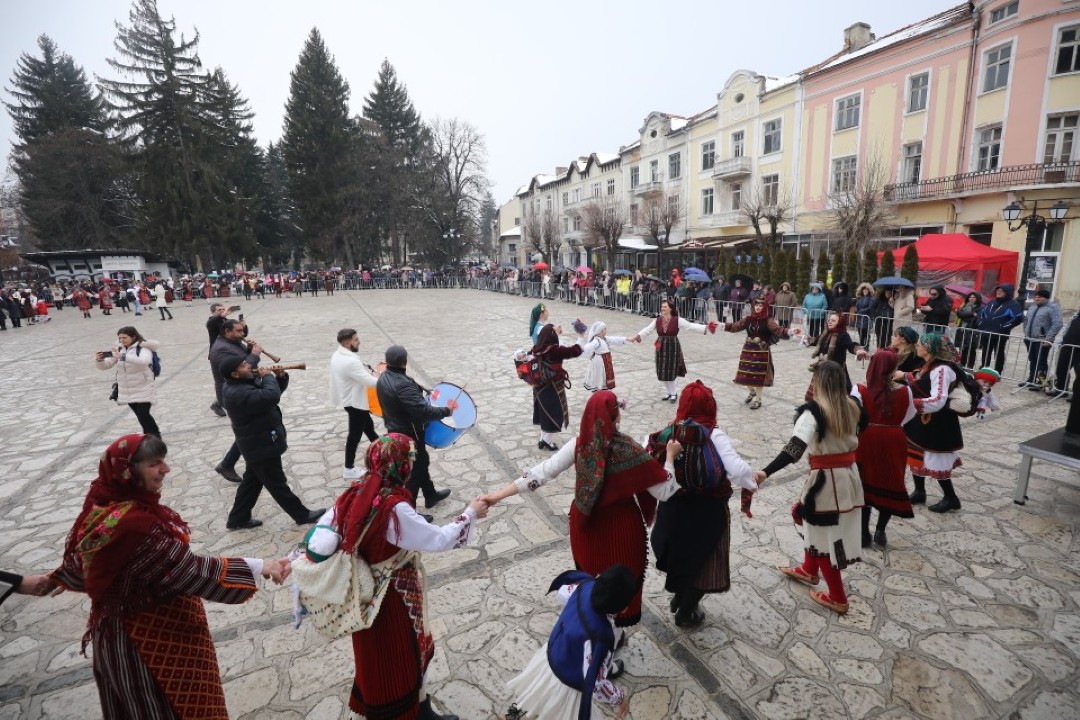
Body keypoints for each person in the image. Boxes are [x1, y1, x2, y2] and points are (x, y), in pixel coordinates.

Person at [44, 434, 287, 719]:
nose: (166, 469)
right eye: (154, 464)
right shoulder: (135, 526)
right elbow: (188, 570)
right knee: (169, 708)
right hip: (150, 642)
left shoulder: (103, 504)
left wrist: (57, 577)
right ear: (128, 470)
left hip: (118, 633)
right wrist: (259, 566)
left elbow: (89, 562)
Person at [300, 434, 485, 720]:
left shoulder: (356, 492)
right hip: (391, 598)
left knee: (388, 658)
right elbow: (437, 540)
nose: (411, 463)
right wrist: (470, 513)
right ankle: (408, 713)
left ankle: (422, 710)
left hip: (365, 594)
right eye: (408, 459)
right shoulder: (393, 508)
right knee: (401, 657)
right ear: (399, 467)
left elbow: (327, 529)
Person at [482, 391, 679, 633]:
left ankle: (596, 634)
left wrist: (496, 496)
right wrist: (669, 457)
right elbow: (666, 491)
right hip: (622, 531)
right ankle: (611, 643)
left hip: (586, 528)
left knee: (593, 583)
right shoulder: (629, 449)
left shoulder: (579, 445)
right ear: (615, 416)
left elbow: (540, 473)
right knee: (618, 588)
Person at [646, 381, 758, 627]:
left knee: (681, 555)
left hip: (674, 508)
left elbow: (649, 456)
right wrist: (753, 479)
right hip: (707, 511)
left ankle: (679, 596)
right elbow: (738, 470)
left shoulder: (670, 432)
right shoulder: (714, 434)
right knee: (706, 562)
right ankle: (686, 612)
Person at [761, 361, 865, 615]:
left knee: (820, 535)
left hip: (826, 483)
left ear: (817, 383)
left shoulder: (814, 412)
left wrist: (765, 472)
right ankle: (809, 569)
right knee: (805, 518)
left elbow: (793, 449)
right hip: (849, 477)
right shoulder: (853, 406)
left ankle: (838, 598)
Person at [507, 565, 636, 720]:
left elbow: (562, 595)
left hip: (551, 656)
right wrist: (619, 699)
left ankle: (516, 715)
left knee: (537, 696)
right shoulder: (601, 636)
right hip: (568, 683)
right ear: (623, 609)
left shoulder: (584, 585)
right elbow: (596, 683)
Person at [219, 355, 324, 529]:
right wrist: (268, 377)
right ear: (235, 374)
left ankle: (238, 518)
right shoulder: (237, 392)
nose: (249, 366)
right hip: (259, 444)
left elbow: (268, 396)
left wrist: (280, 378)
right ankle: (302, 515)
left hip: (258, 442)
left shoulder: (241, 384)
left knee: (251, 482)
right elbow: (269, 397)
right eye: (244, 365)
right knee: (277, 483)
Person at [376, 345, 456, 515]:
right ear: (405, 362)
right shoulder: (403, 385)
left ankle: (430, 494)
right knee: (415, 471)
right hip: (409, 437)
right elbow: (424, 412)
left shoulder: (384, 377)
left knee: (421, 462)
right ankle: (409, 512)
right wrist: (447, 410)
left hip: (396, 430)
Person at [852, 351, 915, 547]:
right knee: (890, 480)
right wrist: (892, 425)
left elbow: (854, 416)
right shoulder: (906, 390)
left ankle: (863, 533)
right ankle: (881, 530)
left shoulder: (860, 389)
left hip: (867, 438)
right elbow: (909, 414)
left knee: (864, 483)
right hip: (894, 438)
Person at [899, 333, 965, 513]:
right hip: (922, 419)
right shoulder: (929, 366)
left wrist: (909, 404)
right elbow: (922, 380)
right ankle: (920, 492)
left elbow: (938, 400)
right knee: (915, 453)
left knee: (937, 457)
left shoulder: (942, 370)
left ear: (929, 349)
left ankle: (951, 498)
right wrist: (904, 376)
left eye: (920, 344)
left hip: (938, 422)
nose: (917, 346)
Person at [630, 298, 716, 402]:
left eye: (665, 307)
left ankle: (673, 393)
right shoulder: (657, 320)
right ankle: (669, 392)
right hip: (661, 347)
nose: (663, 308)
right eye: (662, 307)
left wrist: (706, 328)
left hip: (673, 347)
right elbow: (647, 330)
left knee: (670, 370)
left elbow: (690, 326)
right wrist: (638, 336)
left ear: (670, 308)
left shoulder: (677, 320)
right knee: (662, 371)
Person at [210, 318, 264, 482]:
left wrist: (248, 350)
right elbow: (242, 368)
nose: (243, 334)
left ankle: (232, 463)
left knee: (251, 429)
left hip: (242, 389)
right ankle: (227, 464)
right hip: (231, 394)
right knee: (247, 431)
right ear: (228, 332)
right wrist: (254, 355)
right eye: (239, 331)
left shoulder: (233, 342)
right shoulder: (221, 349)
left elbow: (243, 361)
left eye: (243, 331)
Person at [723, 296, 798, 410]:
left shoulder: (768, 320)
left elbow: (778, 330)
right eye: (756, 305)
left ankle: (758, 400)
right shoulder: (748, 319)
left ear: (764, 307)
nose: (758, 307)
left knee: (758, 377)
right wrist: (722, 326)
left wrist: (789, 331)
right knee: (744, 374)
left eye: (760, 306)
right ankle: (752, 392)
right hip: (748, 349)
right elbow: (735, 326)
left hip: (761, 351)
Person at [329, 328, 382, 480]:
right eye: (356, 340)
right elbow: (370, 382)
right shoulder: (350, 361)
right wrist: (387, 380)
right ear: (347, 343)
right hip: (355, 403)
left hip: (350, 400)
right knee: (354, 436)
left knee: (370, 430)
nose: (359, 342)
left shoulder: (338, 354)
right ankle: (349, 468)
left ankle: (383, 455)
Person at [95, 326, 161, 438]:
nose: (121, 340)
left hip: (144, 386)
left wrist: (123, 356)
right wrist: (99, 360)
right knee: (140, 416)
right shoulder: (120, 349)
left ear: (133, 336)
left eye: (124, 338)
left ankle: (155, 437)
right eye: (120, 338)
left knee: (143, 414)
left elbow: (144, 361)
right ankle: (150, 437)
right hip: (127, 388)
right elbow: (107, 365)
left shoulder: (143, 348)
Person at [528, 324, 586, 449]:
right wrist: (581, 335)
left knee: (545, 413)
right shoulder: (555, 351)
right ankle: (547, 441)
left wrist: (556, 333)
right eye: (554, 331)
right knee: (554, 414)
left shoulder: (536, 348)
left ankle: (543, 439)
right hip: (552, 387)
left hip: (539, 387)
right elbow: (575, 351)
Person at [808, 312, 867, 396]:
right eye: (829, 320)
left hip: (836, 371)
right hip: (822, 369)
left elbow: (851, 345)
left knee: (837, 396)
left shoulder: (843, 335)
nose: (830, 322)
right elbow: (815, 340)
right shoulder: (826, 333)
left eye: (833, 320)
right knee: (819, 395)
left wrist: (858, 350)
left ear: (840, 323)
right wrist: (802, 337)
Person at [1021, 288, 1063, 390]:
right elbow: (1026, 320)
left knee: (1041, 361)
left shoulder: (1053, 308)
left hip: (1042, 340)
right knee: (1032, 360)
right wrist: (1026, 333)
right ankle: (1032, 378)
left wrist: (1049, 338)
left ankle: (1042, 382)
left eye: (1040, 296)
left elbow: (1057, 324)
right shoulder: (1033, 307)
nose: (1037, 298)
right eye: (1036, 296)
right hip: (1030, 338)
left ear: (1046, 298)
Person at [978, 284, 1024, 373]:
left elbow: (1017, 318)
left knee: (998, 353)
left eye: (1001, 291)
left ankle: (998, 371)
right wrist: (980, 323)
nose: (998, 292)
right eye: (997, 290)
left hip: (1000, 333)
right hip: (986, 331)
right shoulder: (992, 302)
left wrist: (1003, 327)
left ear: (1007, 293)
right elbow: (982, 313)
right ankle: (984, 367)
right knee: (985, 351)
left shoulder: (1013, 304)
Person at [580, 321, 629, 392]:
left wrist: (627, 339)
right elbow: (587, 348)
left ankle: (603, 390)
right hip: (600, 362)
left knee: (604, 376)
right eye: (605, 329)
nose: (606, 330)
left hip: (606, 361)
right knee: (600, 376)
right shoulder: (596, 340)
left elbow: (615, 339)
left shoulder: (605, 338)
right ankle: (599, 390)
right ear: (600, 331)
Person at [206, 303, 232, 417]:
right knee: (220, 381)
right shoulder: (212, 321)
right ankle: (221, 404)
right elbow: (211, 323)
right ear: (213, 312)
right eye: (219, 310)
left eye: (223, 309)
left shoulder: (224, 321)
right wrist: (222, 315)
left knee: (231, 379)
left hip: (229, 353)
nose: (222, 311)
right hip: (217, 355)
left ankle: (218, 402)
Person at [1050, 310, 1080, 399]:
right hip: (1066, 347)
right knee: (1061, 369)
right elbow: (1067, 329)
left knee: (1079, 373)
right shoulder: (1076, 316)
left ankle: (1077, 396)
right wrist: (1062, 341)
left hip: (1078, 350)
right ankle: (1061, 389)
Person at [955, 292, 984, 369]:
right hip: (962, 330)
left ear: (977, 299)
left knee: (971, 349)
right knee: (963, 349)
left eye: (974, 297)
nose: (971, 299)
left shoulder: (980, 308)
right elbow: (959, 314)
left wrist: (966, 315)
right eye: (970, 297)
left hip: (972, 331)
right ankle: (962, 365)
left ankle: (970, 367)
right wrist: (971, 314)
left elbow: (977, 318)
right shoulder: (964, 306)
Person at [853, 283, 875, 347]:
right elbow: (856, 305)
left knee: (866, 334)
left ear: (869, 291)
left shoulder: (871, 298)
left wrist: (861, 311)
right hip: (860, 319)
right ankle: (861, 345)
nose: (865, 291)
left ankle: (866, 346)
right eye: (864, 290)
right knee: (860, 333)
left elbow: (870, 307)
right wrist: (856, 310)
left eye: (866, 290)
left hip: (867, 319)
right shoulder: (860, 298)